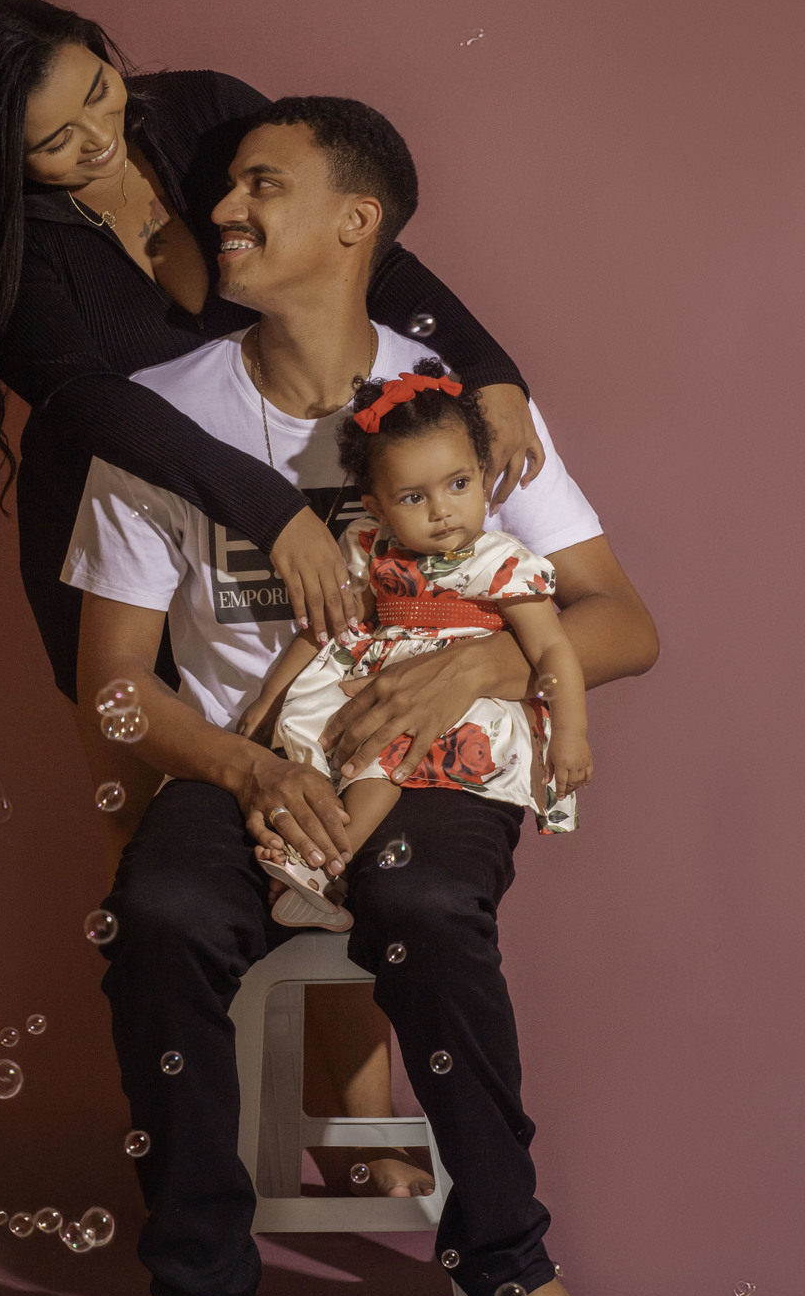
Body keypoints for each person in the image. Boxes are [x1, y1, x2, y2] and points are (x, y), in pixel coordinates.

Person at [0, 0, 541, 1199]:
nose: (99, 139)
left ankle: (351, 1117)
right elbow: (98, 408)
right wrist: (268, 509)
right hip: (129, 528)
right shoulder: (3, 249)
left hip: (289, 511)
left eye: (101, 94)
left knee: (320, 786)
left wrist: (490, 367)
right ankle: (207, 1175)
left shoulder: (200, 115)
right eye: (55, 143)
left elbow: (366, 245)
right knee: (173, 856)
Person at [67, 95, 658, 1296]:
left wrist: (480, 663)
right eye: (228, 184)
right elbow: (111, 682)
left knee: (426, 906)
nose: (222, 208)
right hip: (242, 760)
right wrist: (243, 770)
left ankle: (513, 1274)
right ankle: (199, 1286)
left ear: (356, 221)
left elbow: (624, 623)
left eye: (261, 184)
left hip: (432, 768)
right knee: (161, 913)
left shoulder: (466, 415)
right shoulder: (158, 413)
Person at [244, 359, 590, 931]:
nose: (441, 510)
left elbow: (553, 650)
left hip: (457, 701)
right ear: (377, 507)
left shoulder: (502, 563)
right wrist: (271, 696)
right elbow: (324, 627)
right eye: (412, 498)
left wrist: (571, 734)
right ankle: (309, 857)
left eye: (458, 484)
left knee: (379, 759)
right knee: (319, 737)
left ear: (483, 476)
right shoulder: (372, 549)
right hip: (378, 680)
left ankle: (323, 863)